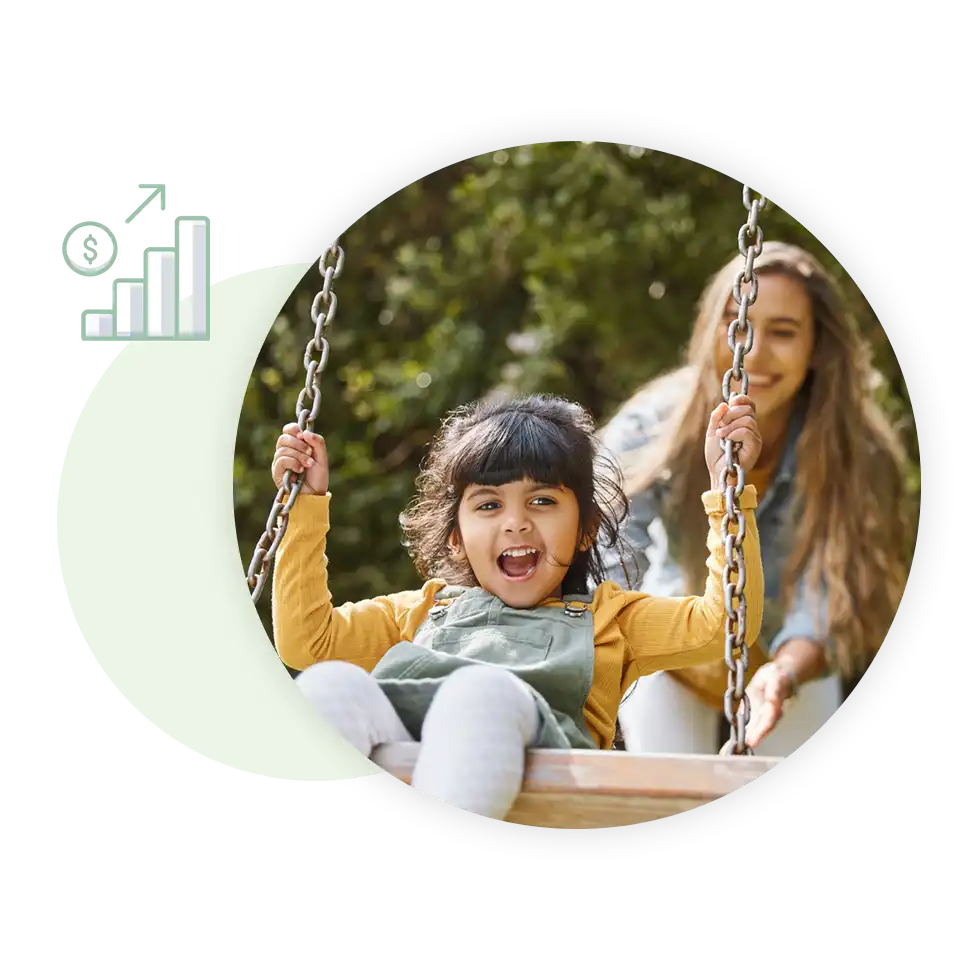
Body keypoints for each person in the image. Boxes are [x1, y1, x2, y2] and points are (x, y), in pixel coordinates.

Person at [269, 392, 765, 822]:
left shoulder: (611, 620)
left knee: (480, 691)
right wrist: (304, 507)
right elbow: (307, 643)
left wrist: (728, 493)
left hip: (548, 779)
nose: (516, 523)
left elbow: (723, 625)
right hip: (414, 751)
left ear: (586, 527)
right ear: (456, 538)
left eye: (542, 502)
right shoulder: (421, 611)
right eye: (488, 505)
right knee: (330, 687)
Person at [597, 241, 914, 757]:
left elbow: (835, 589)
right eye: (738, 325)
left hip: (789, 661)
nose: (756, 352)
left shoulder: (860, 451)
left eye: (784, 332)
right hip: (671, 645)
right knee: (662, 795)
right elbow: (606, 539)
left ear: (817, 346)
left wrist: (785, 671)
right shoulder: (656, 424)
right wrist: (628, 635)